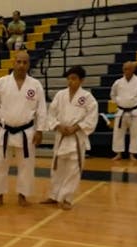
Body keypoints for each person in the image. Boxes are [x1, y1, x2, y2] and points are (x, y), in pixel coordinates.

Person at [0, 51, 47, 207]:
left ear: (28, 64)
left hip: (27, 132)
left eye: (25, 62)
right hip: (4, 131)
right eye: (19, 62)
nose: (21, 65)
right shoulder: (1, 83)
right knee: (0, 164)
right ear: (13, 62)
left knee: (26, 166)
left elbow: (42, 109)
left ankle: (23, 195)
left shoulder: (35, 85)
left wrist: (40, 130)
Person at [40, 66, 98, 210]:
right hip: (62, 136)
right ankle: (53, 195)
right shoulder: (60, 95)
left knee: (73, 169)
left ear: (81, 80)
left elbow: (91, 119)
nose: (70, 81)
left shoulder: (88, 98)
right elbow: (51, 113)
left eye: (74, 79)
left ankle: (66, 198)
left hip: (77, 138)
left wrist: (75, 128)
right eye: (69, 78)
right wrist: (58, 126)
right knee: (57, 167)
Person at [110, 61, 137, 161]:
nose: (126, 71)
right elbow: (112, 95)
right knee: (118, 133)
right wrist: (119, 102)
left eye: (129, 69)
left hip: (135, 111)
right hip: (121, 111)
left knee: (136, 134)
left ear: (133, 69)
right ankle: (119, 153)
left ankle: (133, 154)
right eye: (125, 69)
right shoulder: (118, 82)